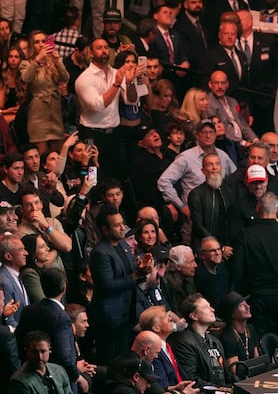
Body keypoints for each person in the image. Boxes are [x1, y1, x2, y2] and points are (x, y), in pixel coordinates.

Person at [230, 192, 278, 341]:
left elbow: (237, 269)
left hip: (256, 298)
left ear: (257, 209)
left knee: (260, 341)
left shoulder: (246, 235)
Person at [89, 206, 152, 365]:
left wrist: (143, 269)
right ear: (105, 229)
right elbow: (108, 286)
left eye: (122, 223)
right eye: (117, 225)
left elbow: (131, 274)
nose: (123, 227)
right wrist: (137, 274)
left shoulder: (123, 245)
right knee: (110, 362)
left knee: (123, 360)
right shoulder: (100, 253)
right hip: (109, 317)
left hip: (126, 313)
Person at [75, 38, 139, 180]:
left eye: (106, 47)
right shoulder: (84, 79)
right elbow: (98, 106)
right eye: (99, 48)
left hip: (113, 133)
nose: (104, 50)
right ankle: (88, 199)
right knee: (92, 175)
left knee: (115, 175)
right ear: (91, 53)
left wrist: (129, 83)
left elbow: (131, 100)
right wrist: (116, 84)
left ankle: (113, 201)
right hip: (92, 134)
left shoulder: (116, 72)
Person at [15, 268, 84, 394]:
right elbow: (65, 357)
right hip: (59, 380)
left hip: (29, 374)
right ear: (64, 288)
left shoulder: (28, 310)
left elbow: (19, 341)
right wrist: (78, 377)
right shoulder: (61, 317)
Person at [19, 30, 70, 154]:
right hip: (38, 114)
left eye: (43, 41)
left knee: (56, 155)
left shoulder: (54, 61)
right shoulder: (27, 63)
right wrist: (37, 60)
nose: (41, 44)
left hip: (55, 113)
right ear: (32, 45)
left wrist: (57, 62)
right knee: (41, 154)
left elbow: (65, 77)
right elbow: (26, 78)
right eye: (37, 42)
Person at [169, 293, 232, 390]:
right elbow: (191, 379)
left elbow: (227, 373)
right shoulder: (184, 343)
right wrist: (218, 389)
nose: (212, 310)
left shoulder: (215, 341)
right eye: (206, 307)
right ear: (194, 316)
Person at [217, 291, 260, 369]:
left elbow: (258, 361)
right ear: (232, 313)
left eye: (246, 303)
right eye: (241, 305)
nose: (248, 306)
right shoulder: (227, 337)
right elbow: (234, 370)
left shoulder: (250, 329)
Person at [0, 233, 29, 327]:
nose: (26, 253)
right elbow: (9, 322)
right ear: (8, 256)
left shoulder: (18, 276)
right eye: (21, 250)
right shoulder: (4, 281)